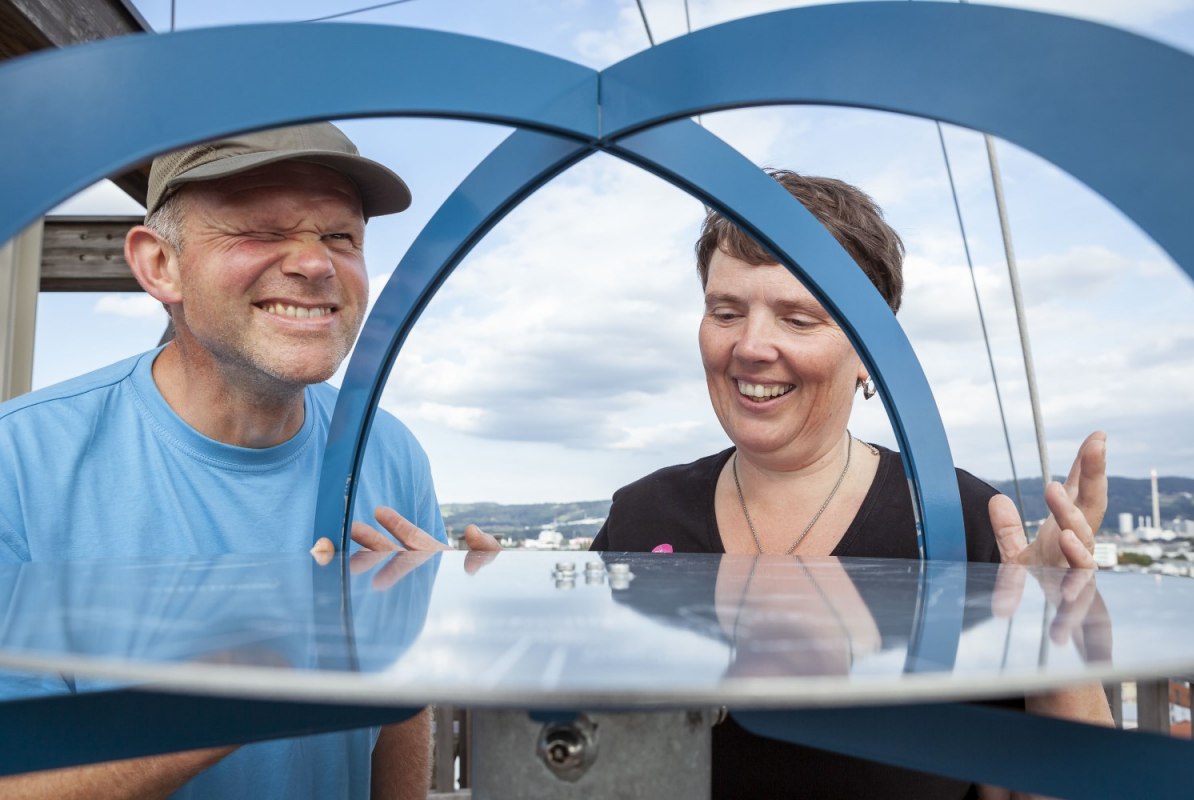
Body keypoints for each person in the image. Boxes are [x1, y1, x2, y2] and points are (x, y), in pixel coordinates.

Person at [367, 171, 1112, 798]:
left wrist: (1055, 640)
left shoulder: (965, 523)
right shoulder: (643, 515)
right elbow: (577, 743)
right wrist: (484, 618)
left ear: (872, 351)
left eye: (798, 318)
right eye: (726, 311)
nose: (751, 346)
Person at [0, 123, 446, 799]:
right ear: (160, 265)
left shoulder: (388, 450)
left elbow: (403, 697)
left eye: (340, 236)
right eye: (261, 230)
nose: (316, 264)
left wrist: (447, 625)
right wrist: (243, 686)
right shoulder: (19, 463)